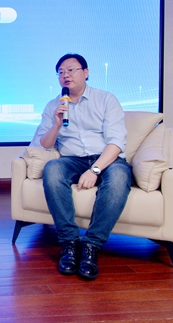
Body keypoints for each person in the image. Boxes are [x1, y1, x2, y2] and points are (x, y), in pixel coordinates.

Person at [31, 53, 132, 280]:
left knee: (118, 178)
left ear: (85, 73)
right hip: (73, 159)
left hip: (107, 159)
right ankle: (69, 243)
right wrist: (56, 125)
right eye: (61, 72)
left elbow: (116, 142)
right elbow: (45, 144)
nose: (65, 75)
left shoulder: (106, 99)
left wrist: (95, 170)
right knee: (52, 169)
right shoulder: (54, 105)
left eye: (71, 70)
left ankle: (91, 246)